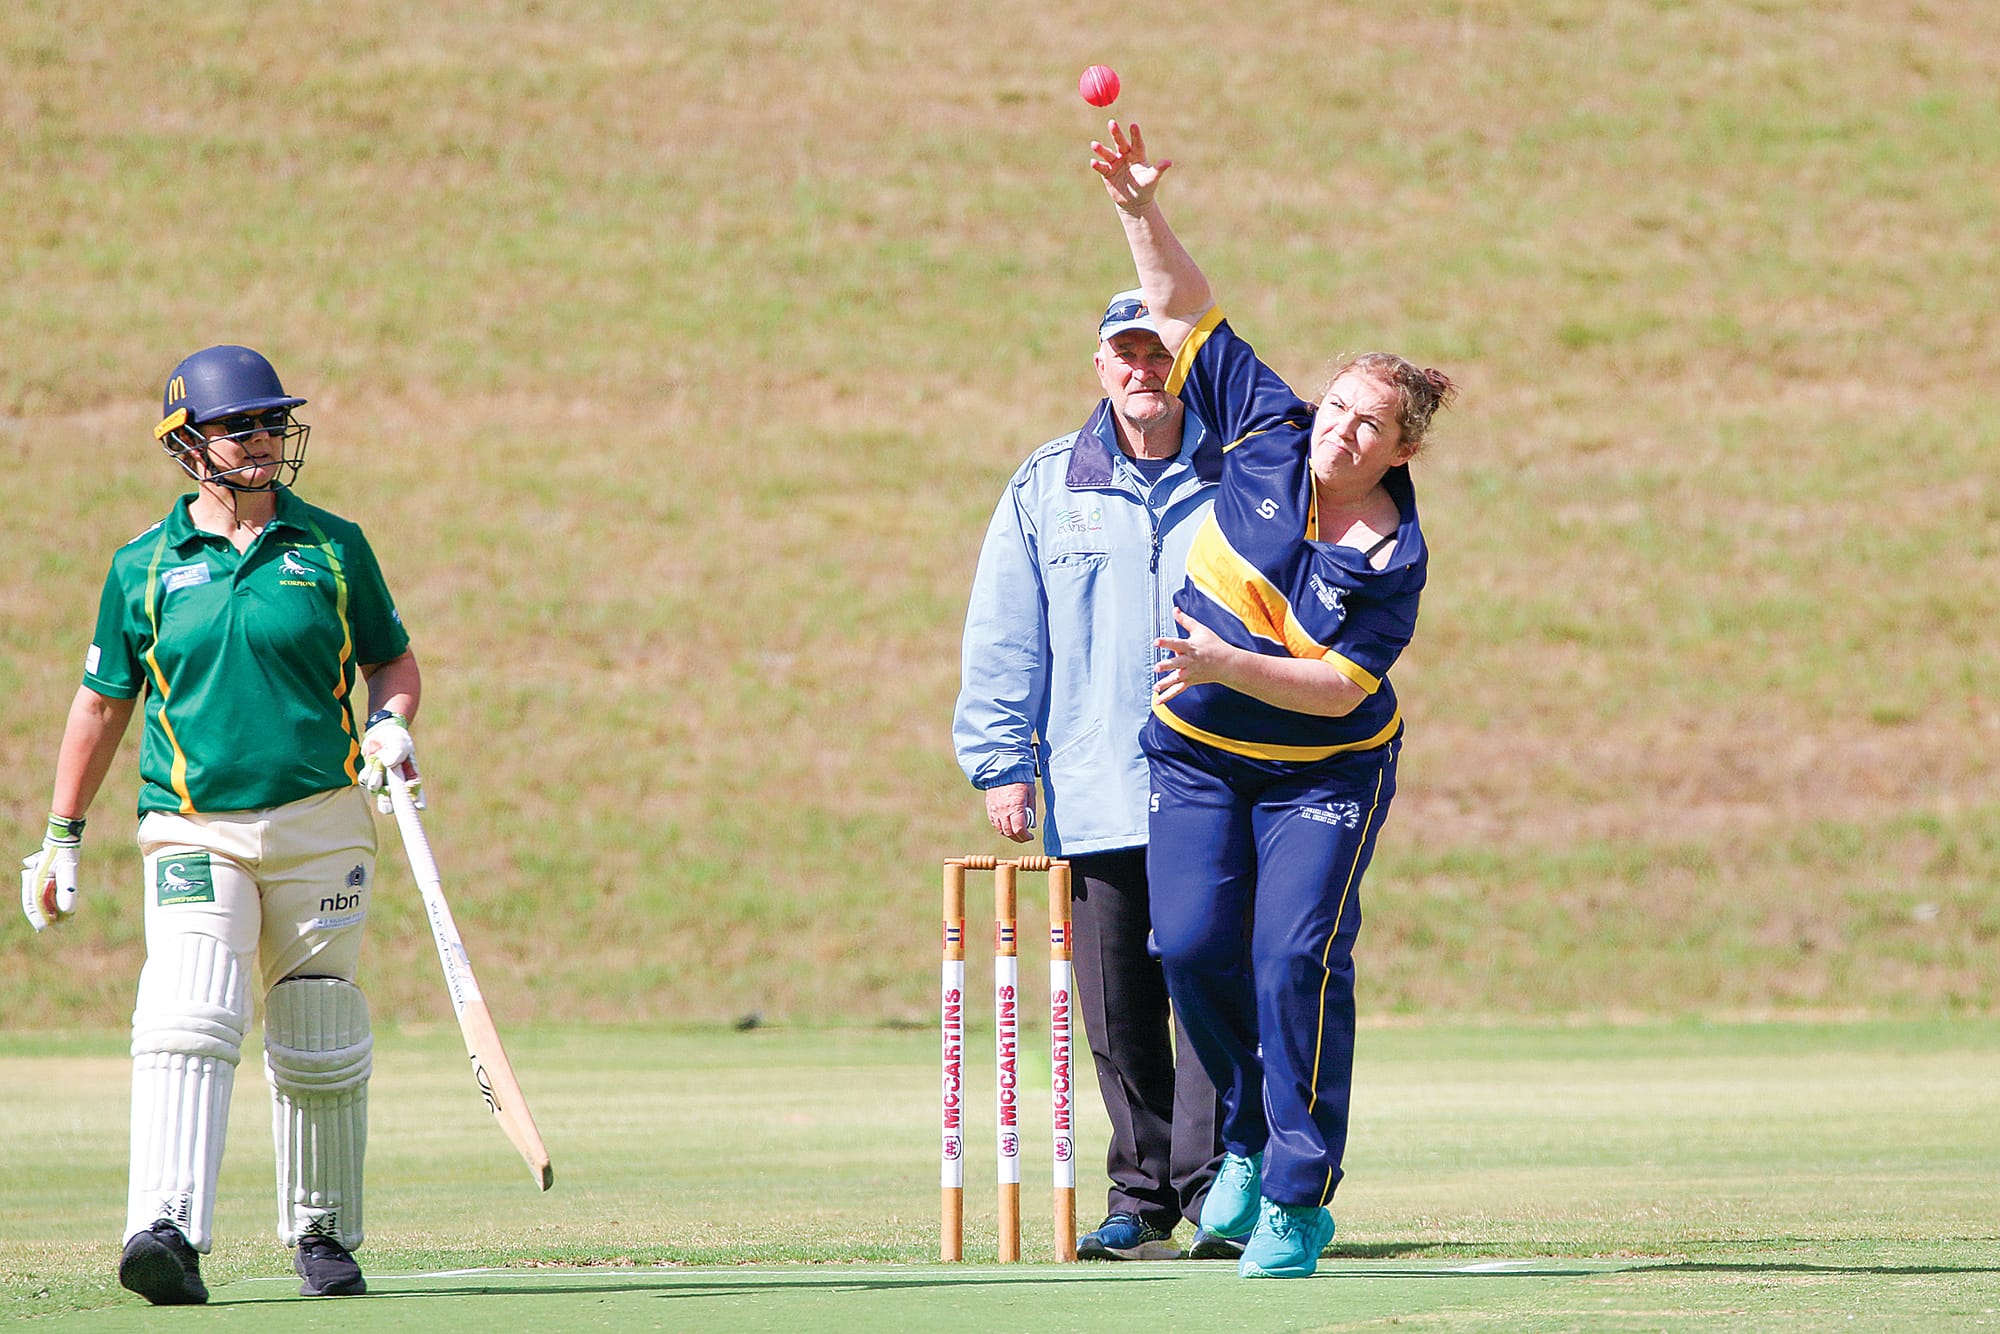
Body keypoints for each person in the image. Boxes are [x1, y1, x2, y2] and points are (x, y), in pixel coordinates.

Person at [1087, 121, 1457, 1279]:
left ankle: (1295, 1191)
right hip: (1195, 753)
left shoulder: (1390, 555)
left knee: (1290, 958)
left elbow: (1333, 686)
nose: (1337, 430)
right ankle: (1244, 1125)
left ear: (1399, 448)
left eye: (1365, 424)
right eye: (1335, 406)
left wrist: (1223, 661)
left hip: (1325, 770)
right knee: (1189, 944)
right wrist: (1136, 208)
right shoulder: (1261, 427)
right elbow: (1183, 304)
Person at [19, 345, 422, 1305]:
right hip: (193, 829)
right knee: (186, 1013)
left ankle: (321, 1232)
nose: (266, 441)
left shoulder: (330, 546)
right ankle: (164, 1230)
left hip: (322, 820)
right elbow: (101, 704)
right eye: (244, 426)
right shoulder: (144, 568)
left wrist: (393, 728)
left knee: (319, 1027)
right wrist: (61, 835)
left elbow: (392, 663)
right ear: (188, 444)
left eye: (274, 423)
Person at [953, 292, 1233, 1260]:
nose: (1143, 369)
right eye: (1126, 354)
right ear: (1100, 367)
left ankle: (1212, 1192)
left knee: (1206, 991)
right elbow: (1004, 629)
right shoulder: (1045, 483)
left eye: (1158, 352)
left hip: (1219, 785)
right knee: (1117, 1010)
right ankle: (1142, 1194)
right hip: (1094, 787)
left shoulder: (1241, 472)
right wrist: (1001, 763)